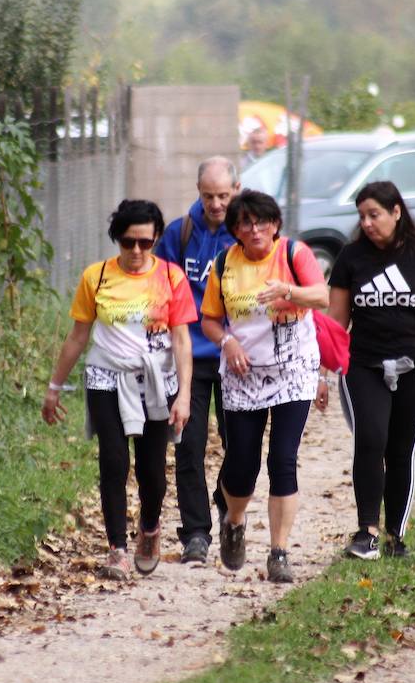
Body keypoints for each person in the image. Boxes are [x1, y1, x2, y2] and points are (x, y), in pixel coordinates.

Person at [42, 200, 194, 580]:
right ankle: (117, 550)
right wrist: (54, 387)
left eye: (146, 242)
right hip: (106, 376)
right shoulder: (97, 277)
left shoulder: (172, 277)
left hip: (156, 381)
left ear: (156, 238)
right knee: (113, 461)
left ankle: (150, 527)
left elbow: (181, 341)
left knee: (152, 471)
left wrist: (185, 395)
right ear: (117, 240)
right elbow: (78, 336)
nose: (138, 251)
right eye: (129, 242)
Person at [325, 180, 415, 560]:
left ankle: (396, 535)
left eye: (374, 214)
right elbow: (337, 319)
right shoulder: (351, 257)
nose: (368, 223)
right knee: (370, 439)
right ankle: (366, 533)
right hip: (363, 364)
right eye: (362, 216)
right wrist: (323, 372)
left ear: (396, 212)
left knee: (401, 448)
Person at [200, 190, 329, 583]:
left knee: (283, 459)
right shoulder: (223, 264)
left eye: (262, 222)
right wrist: (227, 341)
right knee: (242, 465)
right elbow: (208, 320)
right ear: (236, 230)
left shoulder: (294, 254)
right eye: (245, 223)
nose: (255, 229)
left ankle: (279, 552)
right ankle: (234, 521)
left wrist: (287, 291)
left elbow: (321, 296)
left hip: (293, 370)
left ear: (275, 224)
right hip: (244, 373)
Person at [154, 156, 241, 565]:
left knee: (239, 445)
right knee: (188, 447)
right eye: (208, 195)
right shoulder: (179, 233)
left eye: (223, 195)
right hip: (187, 355)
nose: (216, 203)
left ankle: (228, 504)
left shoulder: (246, 234)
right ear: (198, 192)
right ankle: (195, 533)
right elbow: (159, 289)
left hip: (234, 354)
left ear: (236, 191)